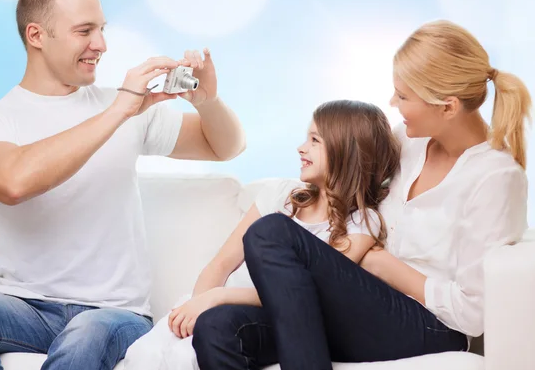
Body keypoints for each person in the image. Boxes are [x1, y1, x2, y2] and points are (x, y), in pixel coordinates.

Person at [0, 0, 246, 370]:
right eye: (85, 31)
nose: (100, 44)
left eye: (101, 29)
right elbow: (14, 182)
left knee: (86, 334)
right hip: (26, 309)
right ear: (37, 35)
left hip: (116, 316)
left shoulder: (129, 109)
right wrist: (117, 110)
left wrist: (209, 101)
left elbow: (226, 146)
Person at [193, 20, 531, 370]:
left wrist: (383, 265)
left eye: (403, 96)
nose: (392, 102)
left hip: (428, 325)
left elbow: (472, 313)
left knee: (270, 232)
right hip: (359, 303)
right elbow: (347, 172)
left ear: (447, 106)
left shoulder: (496, 178)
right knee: (216, 328)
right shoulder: (407, 141)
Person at [123, 99, 401, 370]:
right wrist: (199, 304)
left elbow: (304, 295)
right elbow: (220, 264)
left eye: (315, 141)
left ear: (346, 150)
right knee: (159, 354)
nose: (301, 148)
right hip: (214, 305)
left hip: (265, 318)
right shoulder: (281, 196)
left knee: (217, 329)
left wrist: (219, 298)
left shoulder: (362, 223)